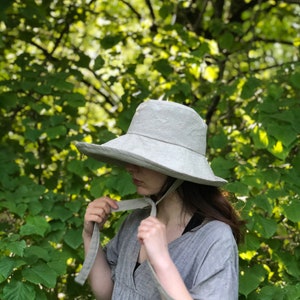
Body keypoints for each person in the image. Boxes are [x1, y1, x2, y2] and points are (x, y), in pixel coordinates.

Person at [75, 100, 244, 300]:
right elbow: (109, 293)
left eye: (143, 160)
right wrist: (89, 234)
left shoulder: (214, 238)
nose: (130, 167)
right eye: (131, 158)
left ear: (177, 170)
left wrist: (162, 261)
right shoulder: (137, 219)